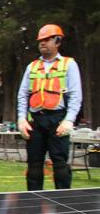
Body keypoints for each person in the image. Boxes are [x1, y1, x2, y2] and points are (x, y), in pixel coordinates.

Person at [17, 24, 82, 190]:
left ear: (58, 41)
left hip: (58, 120)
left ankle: (63, 201)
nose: (42, 43)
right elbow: (23, 94)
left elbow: (75, 95)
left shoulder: (69, 64)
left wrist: (69, 120)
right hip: (35, 120)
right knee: (34, 165)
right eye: (40, 40)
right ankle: (34, 202)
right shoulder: (31, 67)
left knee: (60, 164)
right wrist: (21, 118)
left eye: (47, 39)